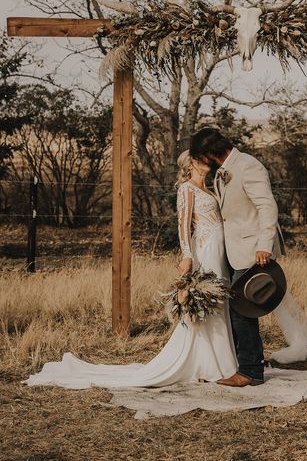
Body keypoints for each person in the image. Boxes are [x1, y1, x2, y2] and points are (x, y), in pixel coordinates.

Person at [22, 151, 238, 389]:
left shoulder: (209, 188)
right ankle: (205, 363)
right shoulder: (186, 188)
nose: (207, 162)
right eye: (201, 159)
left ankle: (224, 361)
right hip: (204, 250)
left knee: (220, 302)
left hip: (219, 252)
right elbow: (182, 225)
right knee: (207, 303)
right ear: (191, 164)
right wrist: (187, 255)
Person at [189, 127, 285, 387]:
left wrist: (264, 244)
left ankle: (250, 371)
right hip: (233, 250)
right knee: (242, 310)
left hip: (252, 249)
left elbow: (267, 206)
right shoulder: (225, 171)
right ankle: (249, 365)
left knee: (242, 311)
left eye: (201, 156)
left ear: (210, 153)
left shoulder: (247, 166)